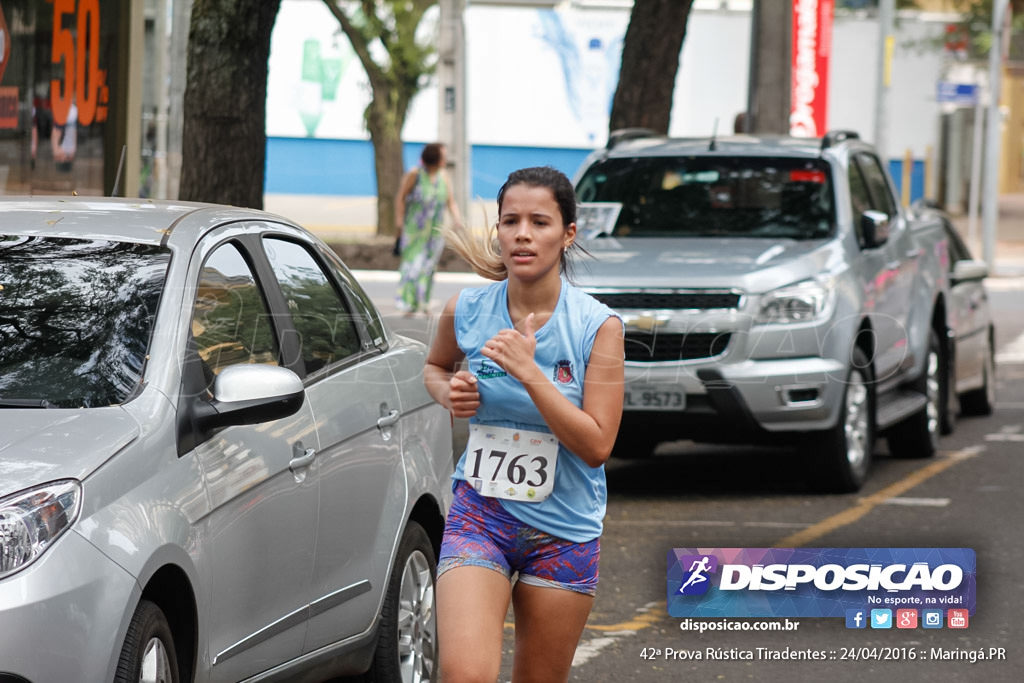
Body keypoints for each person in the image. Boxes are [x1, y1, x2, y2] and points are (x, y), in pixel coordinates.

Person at [424, 166, 625, 682]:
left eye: (540, 222)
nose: (522, 234)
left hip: (563, 530)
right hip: (481, 516)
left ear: (568, 234)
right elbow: (434, 367)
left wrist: (530, 373)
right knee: (464, 674)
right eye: (510, 221)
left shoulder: (597, 327)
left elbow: (597, 444)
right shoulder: (465, 309)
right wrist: (451, 391)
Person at [394, 142, 463, 315]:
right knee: (412, 266)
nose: (445, 158)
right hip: (414, 231)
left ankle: (423, 303)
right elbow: (401, 198)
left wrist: (457, 220)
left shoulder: (443, 177)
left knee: (429, 268)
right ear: (434, 157)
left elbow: (450, 201)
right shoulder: (414, 174)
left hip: (434, 233)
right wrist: (399, 222)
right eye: (443, 155)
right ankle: (407, 304)